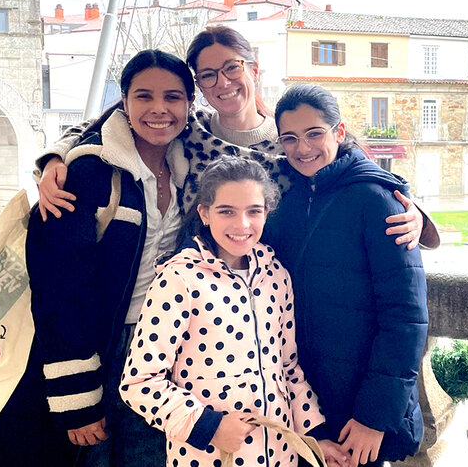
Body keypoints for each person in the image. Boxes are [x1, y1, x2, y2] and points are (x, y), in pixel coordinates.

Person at [35, 25, 435, 249]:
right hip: (190, 297)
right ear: (198, 87)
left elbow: (354, 164)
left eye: (232, 68)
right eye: (207, 75)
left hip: (276, 292)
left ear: (253, 70)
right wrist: (56, 158)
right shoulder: (188, 131)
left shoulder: (291, 141)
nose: (222, 82)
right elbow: (110, 122)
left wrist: (413, 210)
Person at [24, 49, 196, 467]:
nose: (159, 109)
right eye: (144, 96)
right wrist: (77, 399)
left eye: (173, 97)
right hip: (99, 346)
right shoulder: (87, 173)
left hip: (164, 347)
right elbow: (57, 290)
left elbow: (253, 132)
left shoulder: (191, 163)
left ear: (189, 106)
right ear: (123, 101)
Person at [119, 156, 348, 467]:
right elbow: (139, 382)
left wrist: (315, 437)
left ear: (267, 213)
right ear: (205, 213)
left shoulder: (276, 276)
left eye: (254, 211)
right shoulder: (178, 279)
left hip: (282, 455)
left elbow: (288, 368)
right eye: (227, 211)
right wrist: (209, 427)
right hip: (206, 457)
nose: (242, 224)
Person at [266, 84, 428, 467]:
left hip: (360, 410)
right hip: (304, 405)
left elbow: (405, 317)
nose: (302, 148)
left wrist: (374, 416)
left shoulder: (377, 200)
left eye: (314, 134)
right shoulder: (286, 201)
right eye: (290, 138)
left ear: (339, 132)